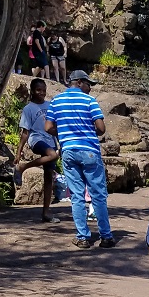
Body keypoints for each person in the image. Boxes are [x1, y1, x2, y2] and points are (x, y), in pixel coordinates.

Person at [45, 70, 115, 249]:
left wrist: (64, 133)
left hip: (69, 151)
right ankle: (106, 236)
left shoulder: (56, 101)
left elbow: (48, 127)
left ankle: (82, 237)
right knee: (98, 195)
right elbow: (101, 129)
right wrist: (88, 131)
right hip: (89, 151)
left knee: (77, 196)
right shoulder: (89, 101)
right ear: (78, 82)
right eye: (88, 84)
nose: (90, 88)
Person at [12, 78, 61, 223]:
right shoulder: (29, 109)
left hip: (50, 139)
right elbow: (25, 132)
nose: (42, 93)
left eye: (44, 90)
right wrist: (19, 151)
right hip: (36, 139)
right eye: (38, 90)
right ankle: (23, 167)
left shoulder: (50, 105)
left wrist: (60, 142)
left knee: (48, 176)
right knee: (52, 155)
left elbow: (55, 126)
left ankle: (46, 212)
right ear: (32, 91)